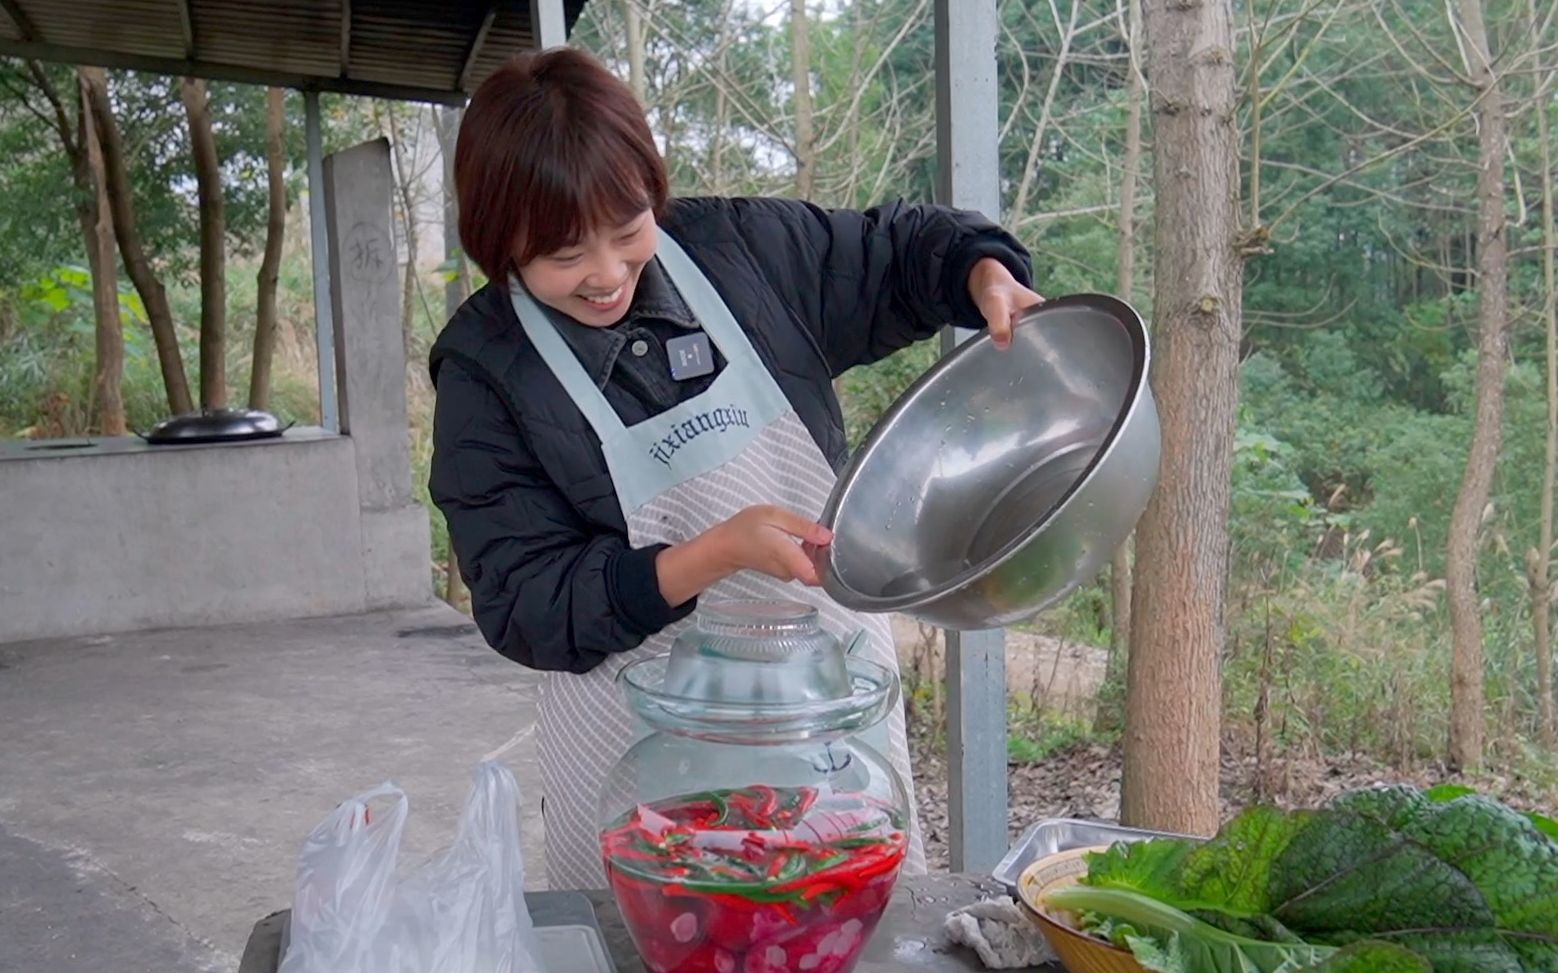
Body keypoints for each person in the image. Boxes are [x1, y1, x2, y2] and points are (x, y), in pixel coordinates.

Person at [429, 46, 1043, 889]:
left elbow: (900, 249)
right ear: (499, 246)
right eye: (565, 255)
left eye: (628, 229)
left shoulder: (743, 251)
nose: (606, 274)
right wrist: (714, 553)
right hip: (637, 757)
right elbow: (526, 602)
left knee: (842, 918)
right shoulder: (484, 367)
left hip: (824, 714)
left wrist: (980, 271)